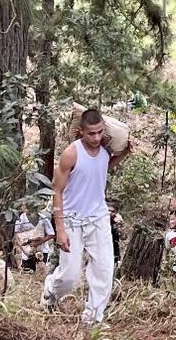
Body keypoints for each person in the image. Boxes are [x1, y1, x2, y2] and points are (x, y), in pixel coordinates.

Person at [42, 109, 131, 323]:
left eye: (100, 132)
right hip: (72, 219)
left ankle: (93, 318)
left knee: (104, 269)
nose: (97, 137)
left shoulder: (105, 151)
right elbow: (57, 190)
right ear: (81, 131)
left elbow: (103, 167)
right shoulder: (71, 153)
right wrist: (60, 229)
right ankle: (51, 291)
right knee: (70, 275)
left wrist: (125, 153)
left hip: (98, 217)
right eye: (91, 133)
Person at [108, 202, 123, 268]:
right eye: (108, 210)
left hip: (114, 252)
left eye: (113, 211)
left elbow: (123, 237)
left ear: (116, 212)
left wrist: (119, 225)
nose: (110, 213)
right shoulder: (101, 221)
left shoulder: (117, 222)